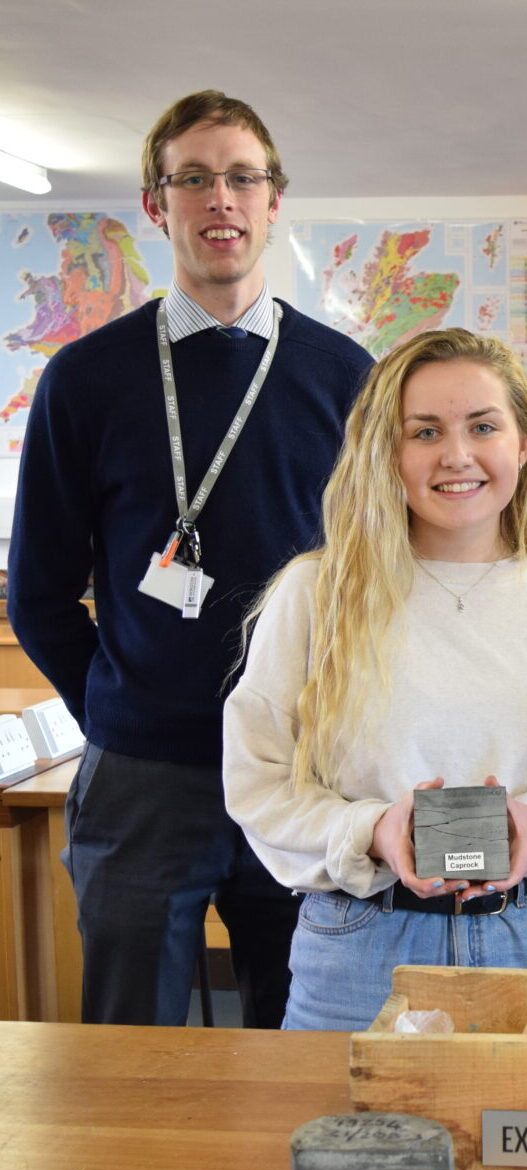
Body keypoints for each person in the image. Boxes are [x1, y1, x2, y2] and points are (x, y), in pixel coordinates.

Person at [7, 90, 372, 1028]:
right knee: (133, 1050)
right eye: (195, 178)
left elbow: (377, 574)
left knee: (303, 1036)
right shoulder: (83, 380)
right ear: (155, 205)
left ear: (274, 201)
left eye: (243, 177)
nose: (222, 199)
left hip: (303, 764)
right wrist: (120, 705)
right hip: (144, 780)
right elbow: (40, 591)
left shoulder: (344, 377)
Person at [222, 328, 527, 1032]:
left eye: (483, 426)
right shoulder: (314, 596)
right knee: (351, 1142)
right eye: (424, 432)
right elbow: (258, 784)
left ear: (522, 445)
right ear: (385, 453)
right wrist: (370, 829)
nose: (456, 455)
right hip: (360, 948)